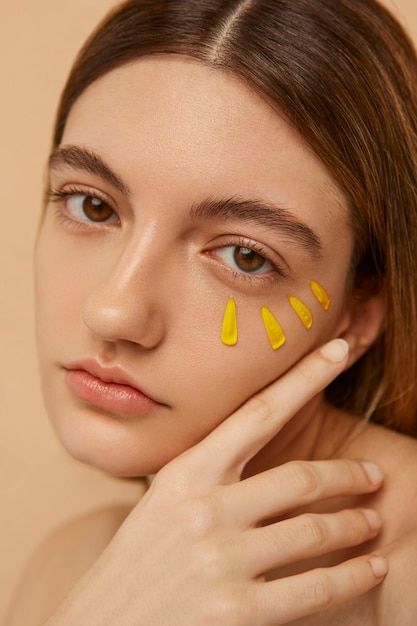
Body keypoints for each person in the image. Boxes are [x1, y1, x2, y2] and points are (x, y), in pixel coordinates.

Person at [4, 0, 417, 623]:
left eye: (246, 256)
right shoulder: (82, 563)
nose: (113, 312)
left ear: (361, 311)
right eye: (92, 206)